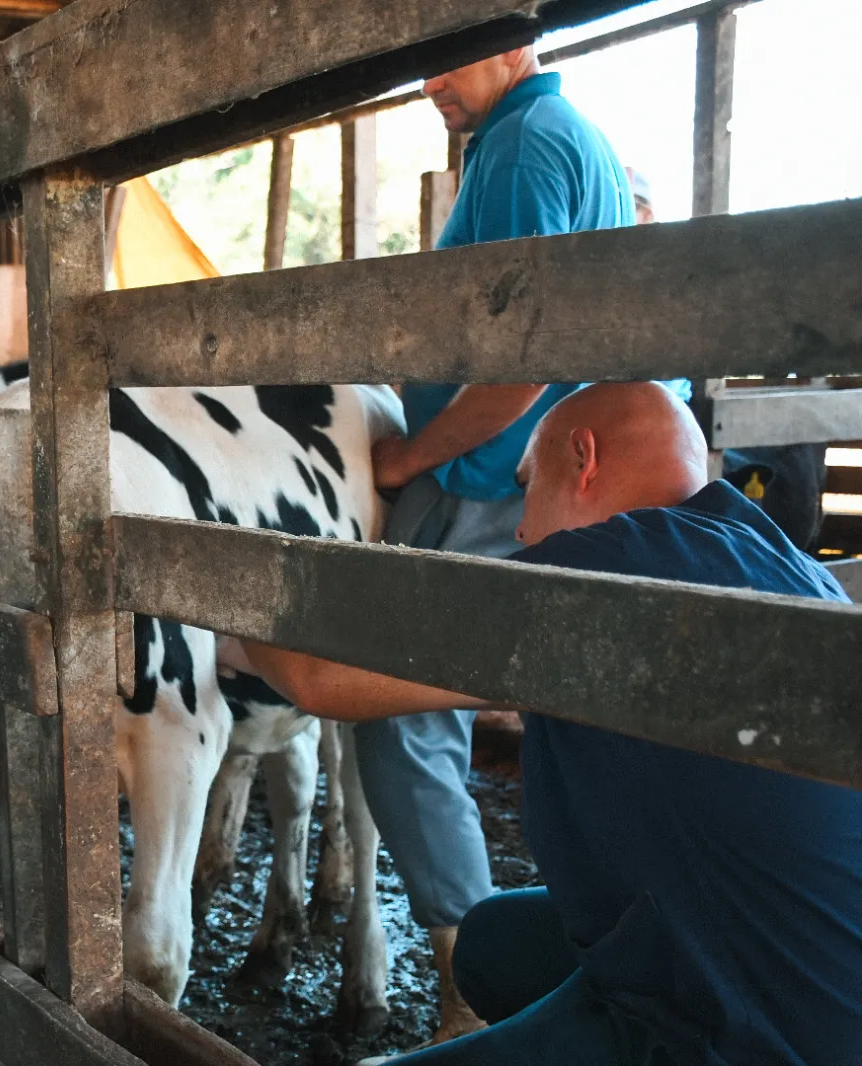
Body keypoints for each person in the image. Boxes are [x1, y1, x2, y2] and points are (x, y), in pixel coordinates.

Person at [236, 383, 862, 1065]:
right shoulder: (775, 558)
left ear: (583, 459)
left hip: (756, 1029)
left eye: (527, 487)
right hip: (782, 955)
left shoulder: (615, 569)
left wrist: (205, 596)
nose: (522, 531)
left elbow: (321, 673)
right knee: (493, 941)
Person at [358, 45, 665, 1049]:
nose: (429, 85)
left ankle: (463, 973)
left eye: (448, 61)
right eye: (423, 69)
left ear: (511, 38)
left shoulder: (528, 148)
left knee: (398, 713)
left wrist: (412, 458)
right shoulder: (533, 139)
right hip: (525, 473)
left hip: (492, 482)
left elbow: (515, 368)